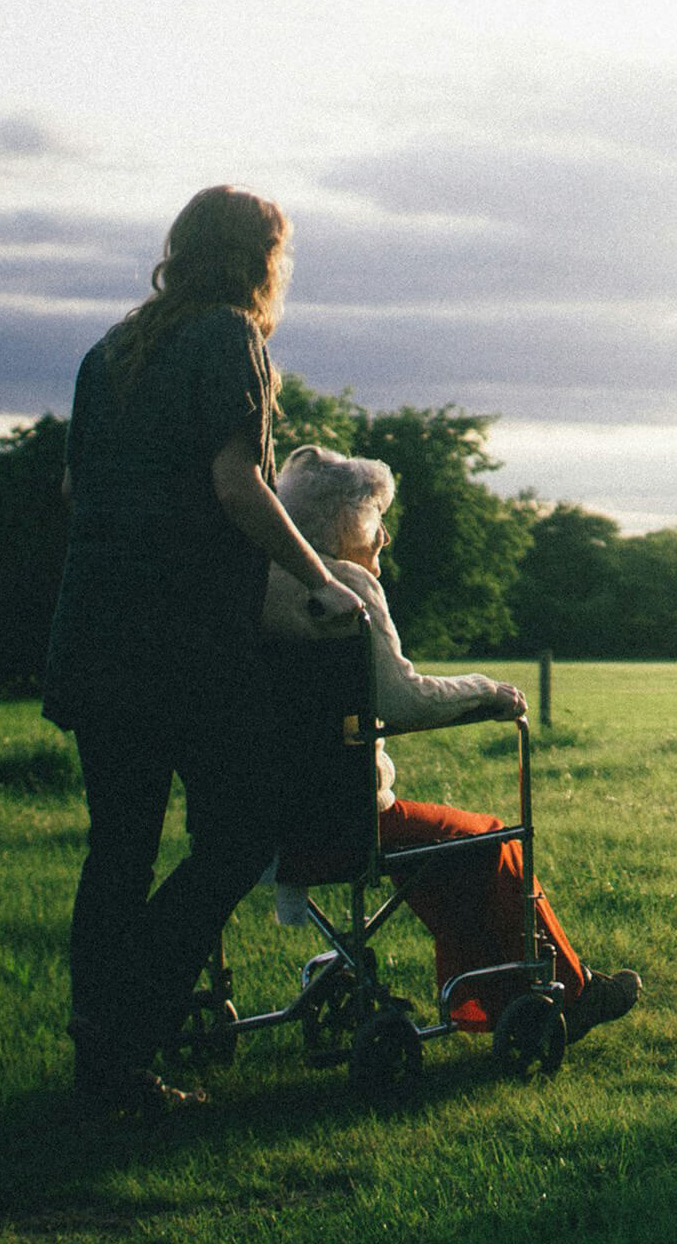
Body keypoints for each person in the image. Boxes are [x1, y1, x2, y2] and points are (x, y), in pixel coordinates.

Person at [43, 187, 366, 1116]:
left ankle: (102, 1060)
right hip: (179, 642)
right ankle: (125, 1028)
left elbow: (78, 486)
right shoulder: (231, 340)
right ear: (261, 257)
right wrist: (319, 579)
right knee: (237, 837)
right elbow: (239, 484)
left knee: (119, 848)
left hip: (94, 630)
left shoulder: (109, 352)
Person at [262, 444, 641, 1041]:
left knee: (446, 849)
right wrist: (485, 691)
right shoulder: (345, 588)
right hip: (346, 819)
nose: (384, 536)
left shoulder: (262, 585)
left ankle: (486, 1002)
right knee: (489, 838)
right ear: (343, 523)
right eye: (375, 518)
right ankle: (569, 991)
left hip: (267, 820)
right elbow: (403, 701)